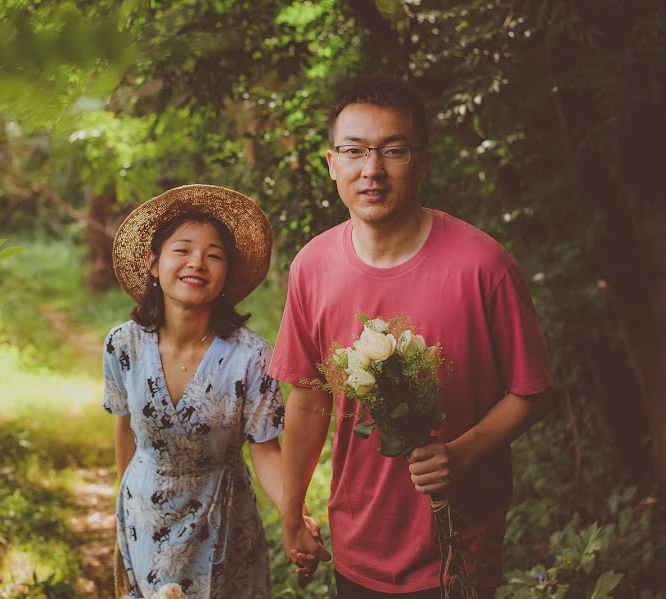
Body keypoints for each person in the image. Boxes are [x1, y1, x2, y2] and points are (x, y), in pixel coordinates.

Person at [269, 78, 554, 598]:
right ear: (331, 162)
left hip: (459, 552)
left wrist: (461, 455)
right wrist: (292, 513)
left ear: (422, 161)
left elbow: (531, 392)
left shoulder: (483, 266)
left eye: (392, 151)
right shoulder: (312, 267)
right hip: (357, 547)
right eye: (354, 151)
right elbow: (308, 403)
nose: (371, 169)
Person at [103, 184, 322, 598]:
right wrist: (125, 505)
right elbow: (125, 430)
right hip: (144, 517)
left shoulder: (250, 355)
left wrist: (295, 515)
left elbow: (266, 449)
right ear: (153, 263)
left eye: (214, 255)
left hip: (222, 518)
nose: (197, 264)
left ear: (226, 275)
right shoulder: (123, 345)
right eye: (182, 250)